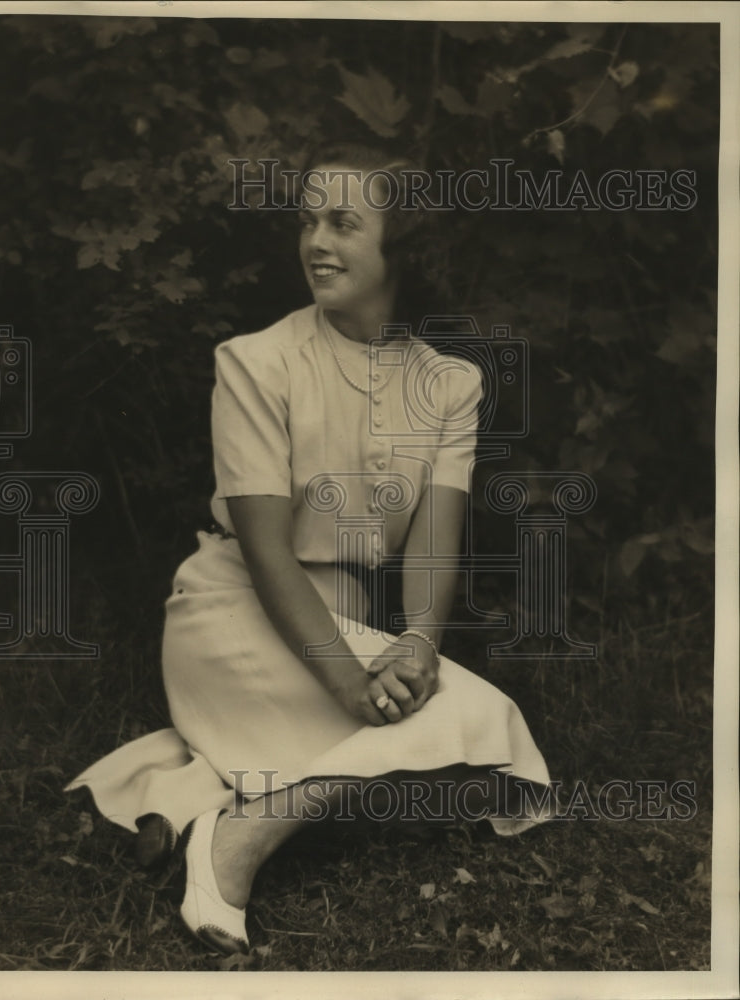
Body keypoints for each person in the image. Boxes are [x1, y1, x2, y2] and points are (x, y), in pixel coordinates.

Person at [66, 142, 551, 957]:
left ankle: (191, 793)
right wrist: (344, 677)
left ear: (398, 244)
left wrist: (417, 647)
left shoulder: (452, 384)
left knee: (478, 737)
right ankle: (237, 845)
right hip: (238, 614)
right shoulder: (255, 362)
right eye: (308, 221)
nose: (316, 242)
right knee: (480, 722)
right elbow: (262, 552)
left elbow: (434, 545)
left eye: (343, 223)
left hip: (361, 628)